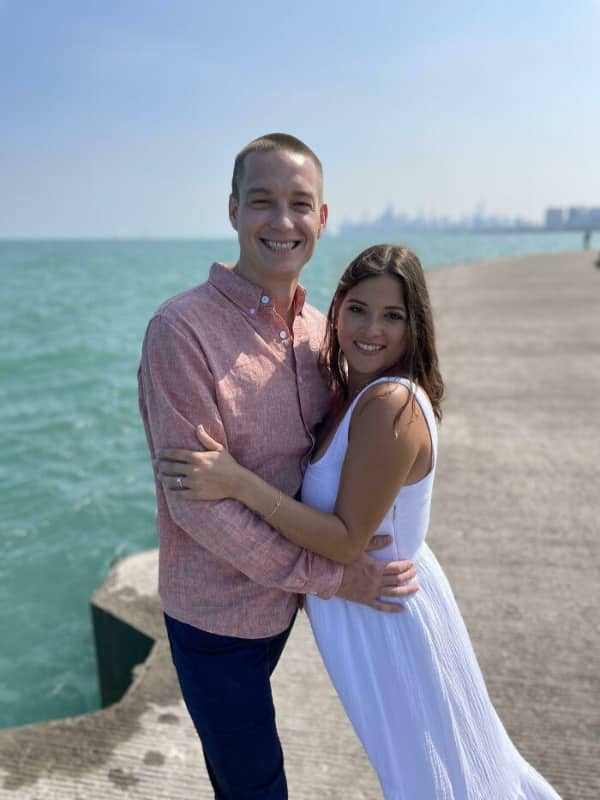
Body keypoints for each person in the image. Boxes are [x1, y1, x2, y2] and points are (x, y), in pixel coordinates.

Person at [158, 244, 562, 799]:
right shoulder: (350, 390)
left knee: (433, 780)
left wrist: (238, 482)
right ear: (338, 307)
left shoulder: (388, 406)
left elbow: (348, 542)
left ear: (416, 324)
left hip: (385, 612)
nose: (372, 329)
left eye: (393, 316)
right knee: (443, 766)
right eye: (358, 309)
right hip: (367, 613)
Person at [138, 134, 419, 800]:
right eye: (262, 201)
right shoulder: (180, 330)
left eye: (300, 204)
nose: (282, 221)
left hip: (288, 606)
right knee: (256, 785)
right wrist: (331, 575)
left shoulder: (323, 331)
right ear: (233, 210)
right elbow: (195, 505)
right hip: (215, 616)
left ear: (322, 220)